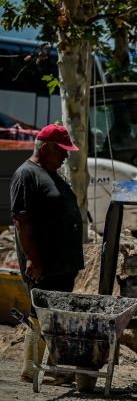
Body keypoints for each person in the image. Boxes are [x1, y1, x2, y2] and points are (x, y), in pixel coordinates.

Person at [10, 125, 85, 382]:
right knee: (40, 313)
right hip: (44, 262)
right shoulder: (26, 175)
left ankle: (54, 367)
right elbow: (21, 221)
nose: (65, 156)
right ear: (45, 148)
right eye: (61, 150)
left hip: (62, 263)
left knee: (55, 315)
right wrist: (33, 258)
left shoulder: (52, 174)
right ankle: (31, 368)